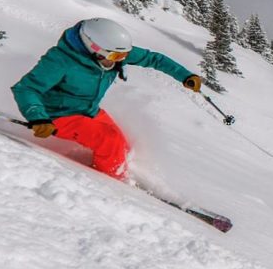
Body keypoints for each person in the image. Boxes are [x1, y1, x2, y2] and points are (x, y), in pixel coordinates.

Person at [12, 17, 202, 179]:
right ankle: (112, 184)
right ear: (93, 47)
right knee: (109, 141)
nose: (120, 59)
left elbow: (154, 59)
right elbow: (26, 88)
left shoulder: (113, 51)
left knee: (123, 146)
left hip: (89, 110)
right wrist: (38, 117)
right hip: (57, 115)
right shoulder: (60, 60)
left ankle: (114, 169)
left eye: (123, 55)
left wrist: (184, 75)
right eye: (114, 55)